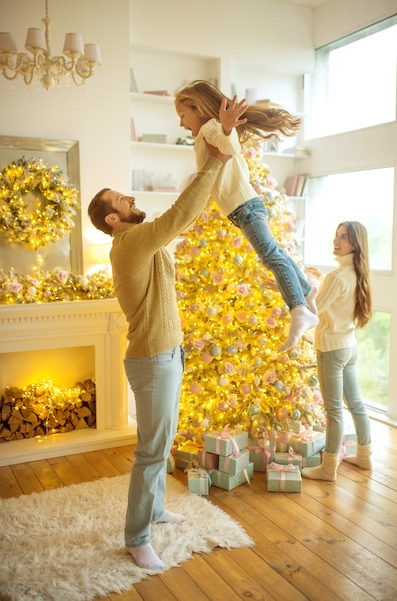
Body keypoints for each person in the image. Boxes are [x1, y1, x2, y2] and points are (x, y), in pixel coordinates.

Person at [87, 127, 238, 570]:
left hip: (168, 355)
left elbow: (181, 206)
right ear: (112, 219)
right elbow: (179, 216)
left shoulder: (138, 241)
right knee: (151, 451)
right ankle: (137, 536)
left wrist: (208, 157)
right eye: (122, 200)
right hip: (153, 359)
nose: (130, 198)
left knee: (162, 442)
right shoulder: (130, 244)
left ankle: (152, 511)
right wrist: (214, 162)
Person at [175, 80, 318, 352]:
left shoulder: (211, 127)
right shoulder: (207, 131)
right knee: (274, 253)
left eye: (183, 115)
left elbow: (229, 149)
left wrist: (227, 127)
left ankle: (299, 308)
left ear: (197, 108)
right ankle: (308, 291)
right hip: (243, 209)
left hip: (246, 208)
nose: (182, 123)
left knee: (270, 256)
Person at [301, 221, 373, 481]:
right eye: (337, 235)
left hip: (331, 349)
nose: (337, 240)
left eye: (344, 237)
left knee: (333, 410)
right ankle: (365, 457)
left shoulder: (337, 276)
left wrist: (285, 290)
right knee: (355, 404)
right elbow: (337, 298)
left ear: (354, 244)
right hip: (349, 347)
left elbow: (313, 309)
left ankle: (328, 467)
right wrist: (321, 279)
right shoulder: (356, 271)